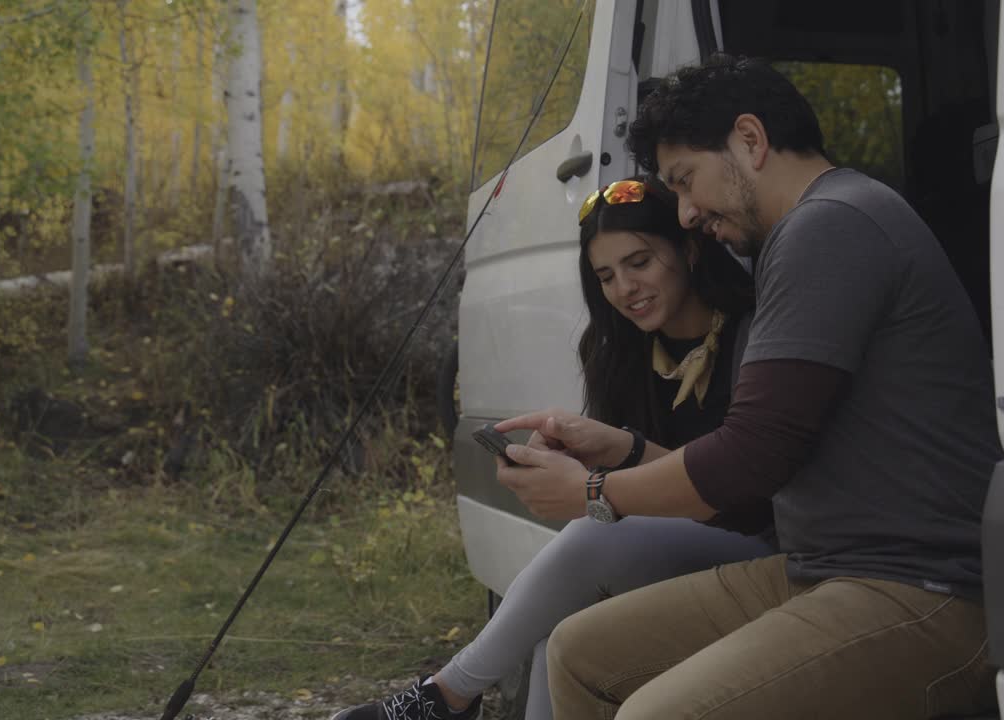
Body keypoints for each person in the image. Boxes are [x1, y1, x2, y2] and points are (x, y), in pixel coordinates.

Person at [494, 55, 1004, 719]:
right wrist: (620, 450)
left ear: (751, 141)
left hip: (924, 588)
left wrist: (593, 494)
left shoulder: (833, 223)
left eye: (685, 180)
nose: (683, 212)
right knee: (577, 653)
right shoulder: (804, 235)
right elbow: (756, 486)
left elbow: (749, 455)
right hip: (821, 569)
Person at [329, 175, 775, 720]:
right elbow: (626, 490)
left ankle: (449, 693)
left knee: (595, 533)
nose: (625, 289)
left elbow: (746, 494)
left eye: (640, 262)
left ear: (687, 248)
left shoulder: (755, 335)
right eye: (606, 276)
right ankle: (449, 695)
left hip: (764, 553)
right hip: (679, 551)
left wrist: (620, 460)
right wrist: (579, 461)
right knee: (561, 637)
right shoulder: (616, 349)